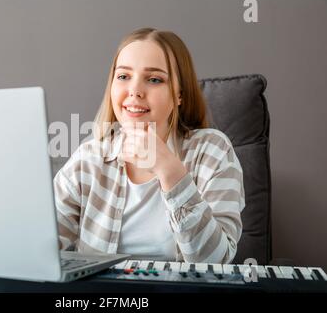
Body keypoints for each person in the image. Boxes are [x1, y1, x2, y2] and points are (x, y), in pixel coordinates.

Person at [53, 27, 245, 263]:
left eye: (154, 79)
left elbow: (215, 261)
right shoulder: (89, 158)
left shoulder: (212, 151)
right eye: (123, 76)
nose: (134, 91)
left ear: (179, 95)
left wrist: (171, 173)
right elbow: (41, 246)